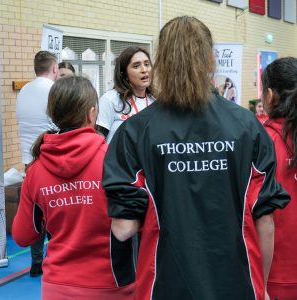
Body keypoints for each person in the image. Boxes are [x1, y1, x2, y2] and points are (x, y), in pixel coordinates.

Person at [102, 16, 290, 300]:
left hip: (164, 283)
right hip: (237, 283)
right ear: (209, 60)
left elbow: (124, 228)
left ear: (161, 60)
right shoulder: (247, 125)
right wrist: (260, 287)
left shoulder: (135, 132)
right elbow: (265, 220)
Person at [12, 76, 135, 300]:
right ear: (91, 114)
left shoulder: (36, 170)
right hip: (112, 286)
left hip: (58, 287)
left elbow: (22, 236)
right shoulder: (114, 162)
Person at [16, 50, 59, 277]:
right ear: (54, 69)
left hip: (28, 162)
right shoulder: (52, 90)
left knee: (36, 212)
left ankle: (36, 262)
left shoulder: (24, 90)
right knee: (55, 209)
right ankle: (57, 257)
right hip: (50, 158)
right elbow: (59, 122)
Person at [261, 57, 297, 300]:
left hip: (276, 273)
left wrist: (259, 282)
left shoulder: (262, 141)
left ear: (270, 95)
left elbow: (263, 219)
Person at [96, 46, 155, 143]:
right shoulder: (110, 99)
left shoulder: (155, 101)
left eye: (147, 64)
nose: (144, 70)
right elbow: (98, 142)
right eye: (136, 66)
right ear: (124, 74)